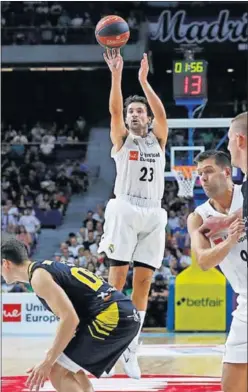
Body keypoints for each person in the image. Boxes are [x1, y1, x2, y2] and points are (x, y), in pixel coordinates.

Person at [98, 49, 168, 379]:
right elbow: (113, 110)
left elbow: (163, 115)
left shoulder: (159, 140)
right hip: (125, 207)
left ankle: (131, 348)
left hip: (153, 213)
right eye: (132, 111)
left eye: (140, 110)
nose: (135, 114)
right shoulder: (122, 140)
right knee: (117, 282)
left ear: (148, 117)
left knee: (143, 283)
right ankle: (111, 345)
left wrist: (143, 80)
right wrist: (117, 75)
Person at [1, 239, 140, 392]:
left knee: (56, 373)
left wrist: (48, 361)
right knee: (68, 366)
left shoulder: (39, 278)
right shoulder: (44, 268)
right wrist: (54, 353)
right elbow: (73, 322)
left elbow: (70, 319)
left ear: (6, 263)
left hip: (112, 315)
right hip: (122, 312)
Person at [187, 150, 247, 392]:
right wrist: (229, 240)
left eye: (209, 171)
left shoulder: (246, 195)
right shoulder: (199, 217)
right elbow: (203, 262)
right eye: (200, 174)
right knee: (231, 383)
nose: (203, 177)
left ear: (227, 172)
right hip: (246, 300)